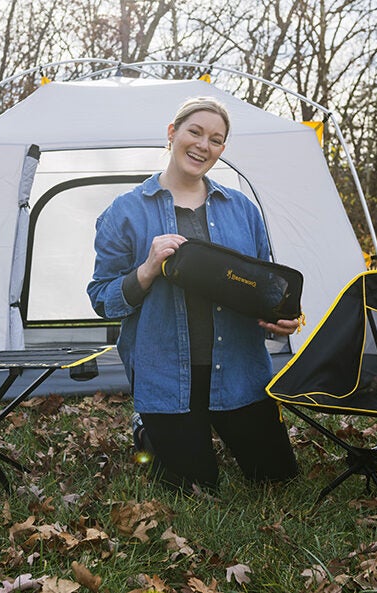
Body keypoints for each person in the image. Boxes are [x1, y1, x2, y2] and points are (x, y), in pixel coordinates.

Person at [86, 96, 300, 492]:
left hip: (239, 370)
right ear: (172, 133)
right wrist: (147, 270)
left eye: (216, 140)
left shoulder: (242, 209)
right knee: (194, 489)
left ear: (222, 149)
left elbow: (264, 287)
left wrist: (280, 319)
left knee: (278, 480)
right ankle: (150, 429)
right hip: (167, 376)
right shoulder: (125, 212)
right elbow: (102, 299)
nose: (204, 145)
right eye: (195, 132)